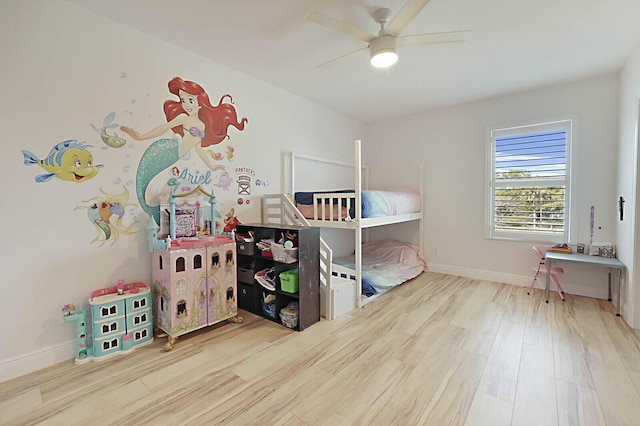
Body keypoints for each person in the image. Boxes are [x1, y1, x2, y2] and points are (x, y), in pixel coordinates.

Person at [121, 77, 248, 224]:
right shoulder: (184, 118)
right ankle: (149, 207)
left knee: (155, 183)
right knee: (145, 178)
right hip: (169, 148)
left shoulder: (201, 126)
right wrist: (141, 137)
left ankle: (152, 210)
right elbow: (164, 127)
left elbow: (198, 148)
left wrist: (211, 166)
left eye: (190, 100)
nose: (186, 105)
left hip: (176, 155)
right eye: (183, 100)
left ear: (201, 103)